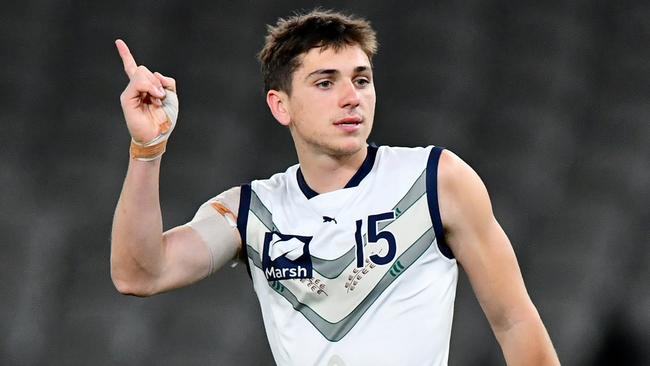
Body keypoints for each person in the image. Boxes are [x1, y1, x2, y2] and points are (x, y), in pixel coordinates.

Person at [111, 9, 560, 366]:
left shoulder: (436, 180)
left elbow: (515, 321)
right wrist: (147, 147)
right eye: (326, 82)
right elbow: (139, 274)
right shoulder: (251, 211)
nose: (352, 97)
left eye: (361, 79)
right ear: (280, 105)